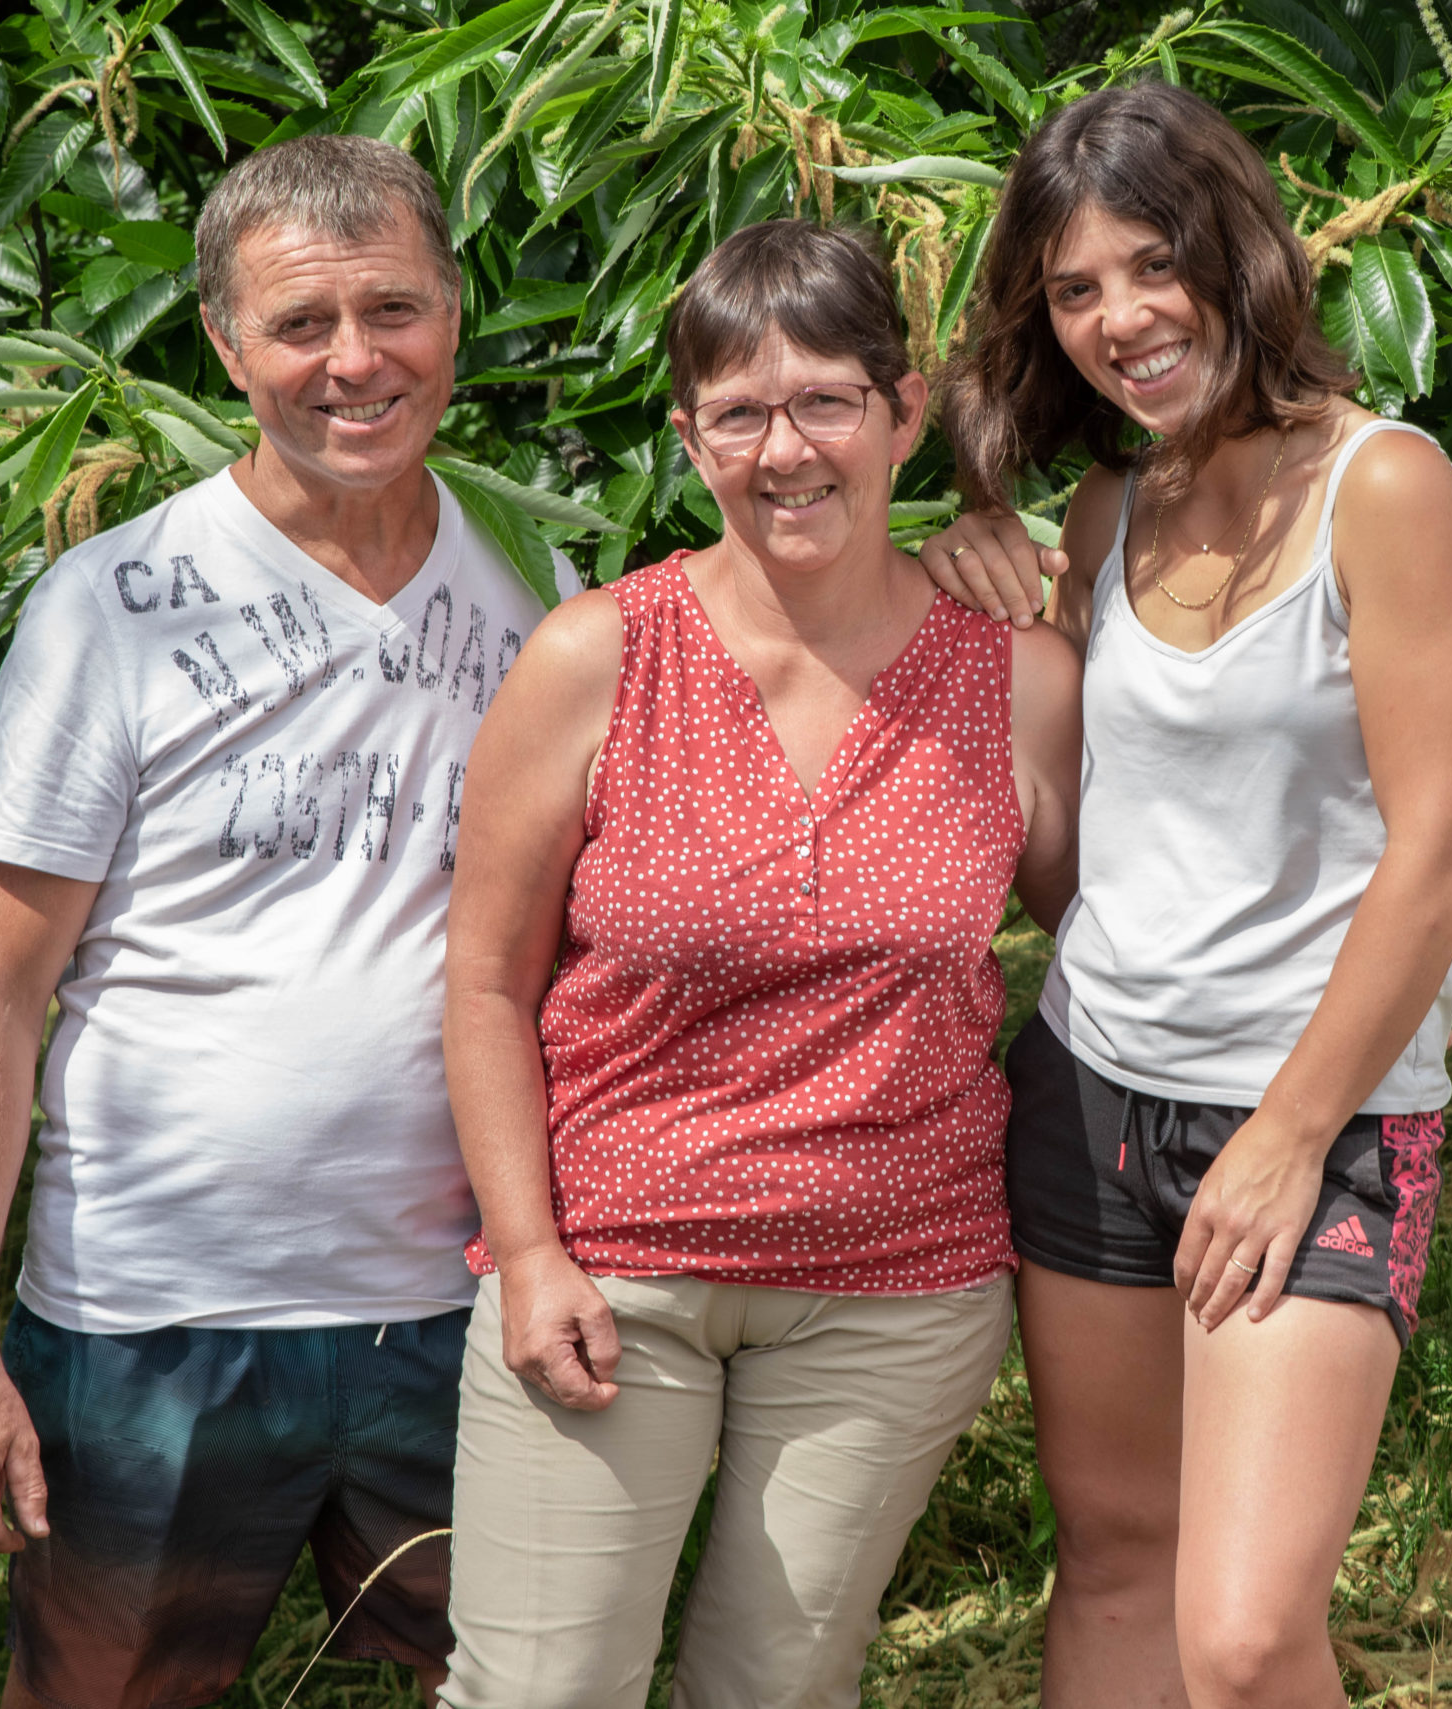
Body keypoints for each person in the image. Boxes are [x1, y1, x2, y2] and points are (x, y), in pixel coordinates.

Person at [0, 133, 577, 1709]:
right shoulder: (114, 606)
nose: (355, 361)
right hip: (158, 1316)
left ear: (455, 319)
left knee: (523, 1684)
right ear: (224, 344)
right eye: (299, 325)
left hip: (459, 1301)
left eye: (393, 309)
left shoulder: (541, 592)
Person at [434, 218, 1080, 1707]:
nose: (785, 450)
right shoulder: (596, 656)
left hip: (895, 1288)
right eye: (738, 413)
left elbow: (1110, 928)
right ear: (689, 435)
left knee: (778, 1688)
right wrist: (528, 1255)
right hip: (614, 1274)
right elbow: (484, 982)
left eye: (826, 403)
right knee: (541, 1690)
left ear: (905, 412)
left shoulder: (1018, 679)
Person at [919, 83, 1452, 1709]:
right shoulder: (1110, 514)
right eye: (1074, 287)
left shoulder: (1384, 489)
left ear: (1236, 252)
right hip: (1091, 1086)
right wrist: (995, 583)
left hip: (1315, 1115)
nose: (1119, 317)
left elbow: (1443, 847)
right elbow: (1098, 860)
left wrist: (1290, 1131)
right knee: (1115, 1562)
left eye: (1151, 263)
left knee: (1245, 1638)